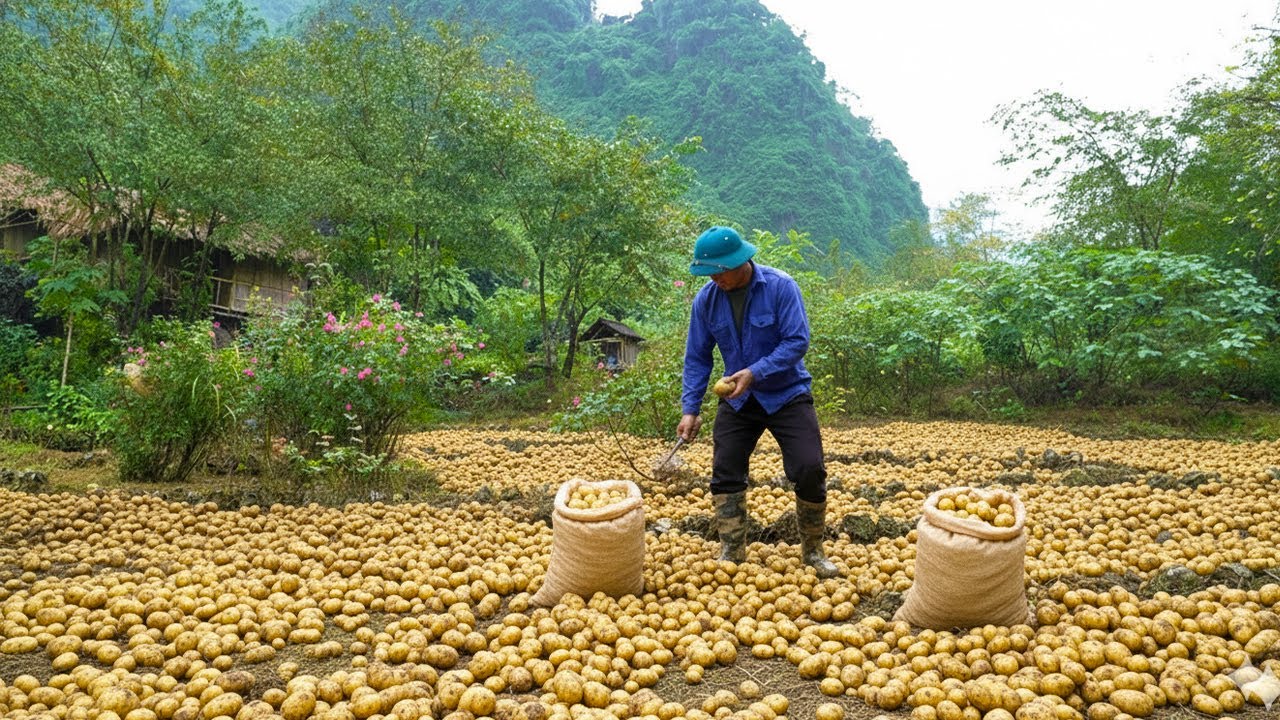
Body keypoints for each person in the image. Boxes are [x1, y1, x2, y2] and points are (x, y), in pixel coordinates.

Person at [675, 226, 838, 578]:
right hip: (738, 399)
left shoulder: (780, 287)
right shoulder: (706, 300)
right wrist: (690, 410)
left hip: (787, 393)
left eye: (719, 271)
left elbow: (797, 341)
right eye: (709, 273)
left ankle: (813, 550)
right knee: (725, 469)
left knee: (809, 468)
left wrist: (755, 372)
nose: (714, 279)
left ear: (740, 262)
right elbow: (697, 358)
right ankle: (732, 550)